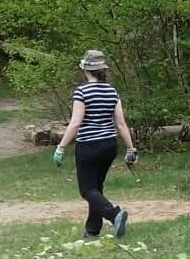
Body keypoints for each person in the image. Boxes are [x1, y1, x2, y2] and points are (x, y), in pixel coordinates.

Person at [55, 49, 138, 240]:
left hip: (88, 147)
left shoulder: (82, 91)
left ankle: (114, 214)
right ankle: (92, 230)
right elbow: (121, 124)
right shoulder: (112, 91)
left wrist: (61, 147)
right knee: (96, 188)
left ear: (85, 70)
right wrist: (131, 148)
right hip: (109, 146)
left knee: (86, 190)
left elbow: (76, 122)